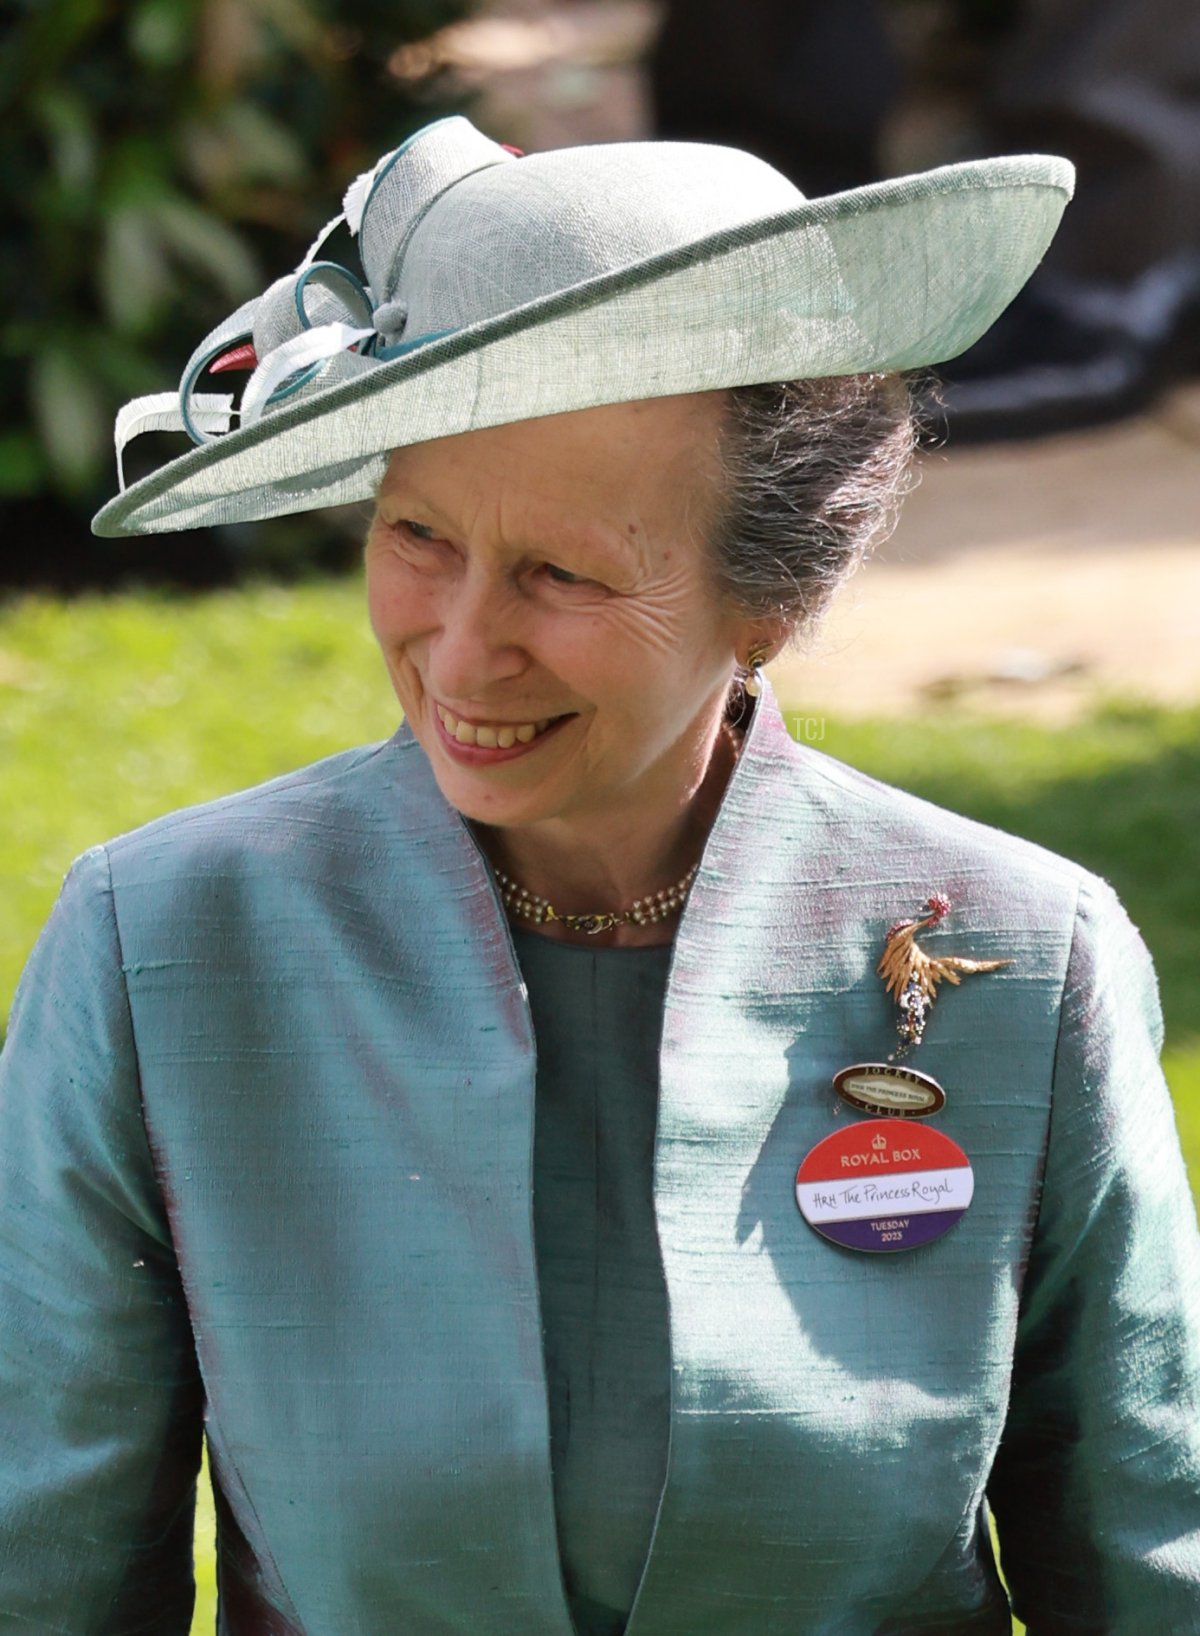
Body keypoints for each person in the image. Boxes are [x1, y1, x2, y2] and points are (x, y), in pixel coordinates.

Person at [2, 115, 1199, 1633]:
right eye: (420, 535)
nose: (461, 644)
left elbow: (1158, 1568)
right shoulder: (162, 950)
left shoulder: (1025, 960)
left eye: (562, 573)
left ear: (771, 596)